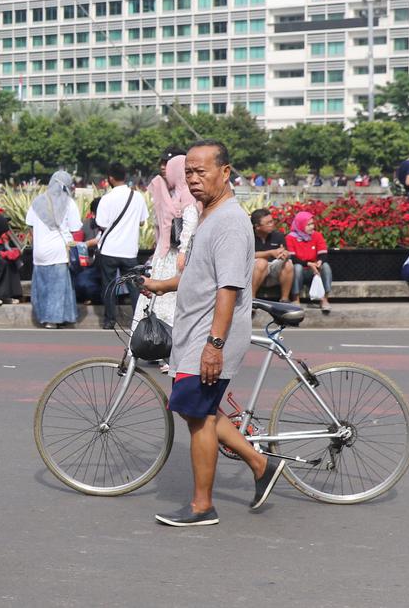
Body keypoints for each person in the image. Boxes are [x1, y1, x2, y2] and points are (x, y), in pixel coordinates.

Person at [141, 140, 282, 527]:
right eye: (189, 172)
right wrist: (162, 285)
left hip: (210, 335)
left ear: (225, 172)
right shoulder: (209, 214)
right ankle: (259, 463)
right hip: (197, 332)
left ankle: (203, 506)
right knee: (197, 409)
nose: (194, 179)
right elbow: (200, 276)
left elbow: (228, 288)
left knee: (197, 414)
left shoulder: (231, 222)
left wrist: (213, 346)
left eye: (202, 171)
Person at [134, 155, 199, 331]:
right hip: (165, 256)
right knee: (157, 298)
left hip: (175, 257)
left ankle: (163, 339)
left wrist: (183, 252)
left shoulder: (187, 193)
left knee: (167, 298)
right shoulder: (177, 192)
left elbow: (190, 225)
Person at [95, 162, 149, 330]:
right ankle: (137, 319)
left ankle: (110, 320)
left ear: (110, 178)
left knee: (109, 286)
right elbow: (142, 222)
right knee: (134, 285)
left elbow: (101, 224)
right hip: (129, 250)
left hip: (109, 249)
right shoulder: (137, 197)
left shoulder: (106, 199)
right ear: (125, 177)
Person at [25, 171, 81, 328]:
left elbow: (30, 226)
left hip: (39, 252)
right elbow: (75, 228)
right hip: (59, 251)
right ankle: (54, 319)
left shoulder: (36, 202)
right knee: (58, 287)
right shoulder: (69, 203)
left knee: (42, 286)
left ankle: (43, 316)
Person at [286, 211, 332, 313]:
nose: (312, 227)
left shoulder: (317, 235)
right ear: (300, 225)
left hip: (315, 270)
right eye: (308, 225)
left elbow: (323, 253)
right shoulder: (290, 238)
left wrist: (319, 262)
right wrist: (309, 264)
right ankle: (295, 298)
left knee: (326, 266)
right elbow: (292, 258)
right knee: (297, 267)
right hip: (300, 271)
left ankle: (324, 299)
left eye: (312, 224)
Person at [250, 208, 294, 302]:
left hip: (274, 268)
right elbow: (246, 255)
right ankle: (251, 299)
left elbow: (285, 251)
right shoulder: (249, 236)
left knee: (288, 264)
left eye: (272, 221)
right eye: (268, 223)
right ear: (257, 226)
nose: (272, 224)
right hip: (254, 269)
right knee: (262, 263)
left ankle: (284, 299)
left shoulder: (278, 236)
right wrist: (270, 253)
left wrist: (284, 254)